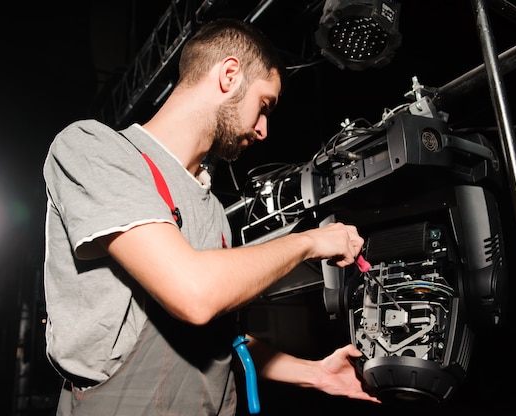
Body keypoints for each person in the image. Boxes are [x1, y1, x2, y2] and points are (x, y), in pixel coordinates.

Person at [42, 17, 379, 415]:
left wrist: (316, 373)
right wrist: (308, 242)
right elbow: (194, 293)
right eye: (264, 106)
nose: (264, 130)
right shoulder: (94, 148)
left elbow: (219, 340)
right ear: (230, 75)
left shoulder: (215, 215)